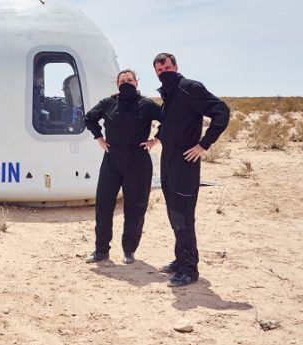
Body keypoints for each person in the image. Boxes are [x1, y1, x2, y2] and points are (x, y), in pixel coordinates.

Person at [153, 53, 230, 286]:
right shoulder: (169, 94)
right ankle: (180, 259)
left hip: (186, 162)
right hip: (168, 159)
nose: (163, 71)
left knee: (183, 214)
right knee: (173, 213)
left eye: (166, 67)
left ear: (175, 66)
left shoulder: (190, 88)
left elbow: (222, 112)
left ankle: (189, 269)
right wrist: (157, 138)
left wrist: (203, 145)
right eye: (158, 69)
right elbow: (172, 123)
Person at [84, 69, 162, 264]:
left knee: (135, 207)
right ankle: (101, 250)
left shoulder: (147, 105)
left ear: (136, 83)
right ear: (117, 84)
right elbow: (89, 117)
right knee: (103, 205)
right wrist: (99, 137)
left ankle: (129, 250)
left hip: (138, 160)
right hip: (112, 159)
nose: (126, 82)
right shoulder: (109, 103)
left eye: (129, 79)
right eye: (122, 80)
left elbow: (168, 120)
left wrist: (155, 140)